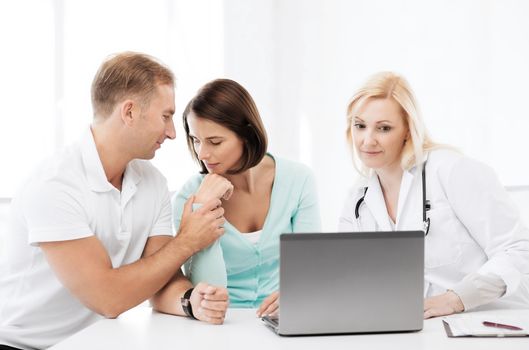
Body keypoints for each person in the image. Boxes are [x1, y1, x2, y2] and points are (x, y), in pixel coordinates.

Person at [0, 52, 228, 350]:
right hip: (22, 346)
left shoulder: (153, 183)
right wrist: (188, 240)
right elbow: (107, 298)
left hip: (94, 342)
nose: (172, 133)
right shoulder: (55, 185)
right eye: (166, 116)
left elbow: (161, 273)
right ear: (129, 112)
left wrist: (190, 301)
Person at [339, 71, 529, 319]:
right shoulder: (358, 198)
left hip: (490, 321)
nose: (367, 140)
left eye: (383, 128)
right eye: (360, 126)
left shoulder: (452, 170)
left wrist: (457, 299)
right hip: (420, 327)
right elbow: (346, 273)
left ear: (408, 129)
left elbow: (518, 249)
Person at [172, 78, 321, 317]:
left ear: (247, 135)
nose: (202, 154)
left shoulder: (298, 180)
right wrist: (204, 209)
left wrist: (296, 294)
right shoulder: (189, 198)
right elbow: (209, 291)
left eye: (215, 141)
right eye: (196, 140)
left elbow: (311, 267)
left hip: (283, 317)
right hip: (221, 321)